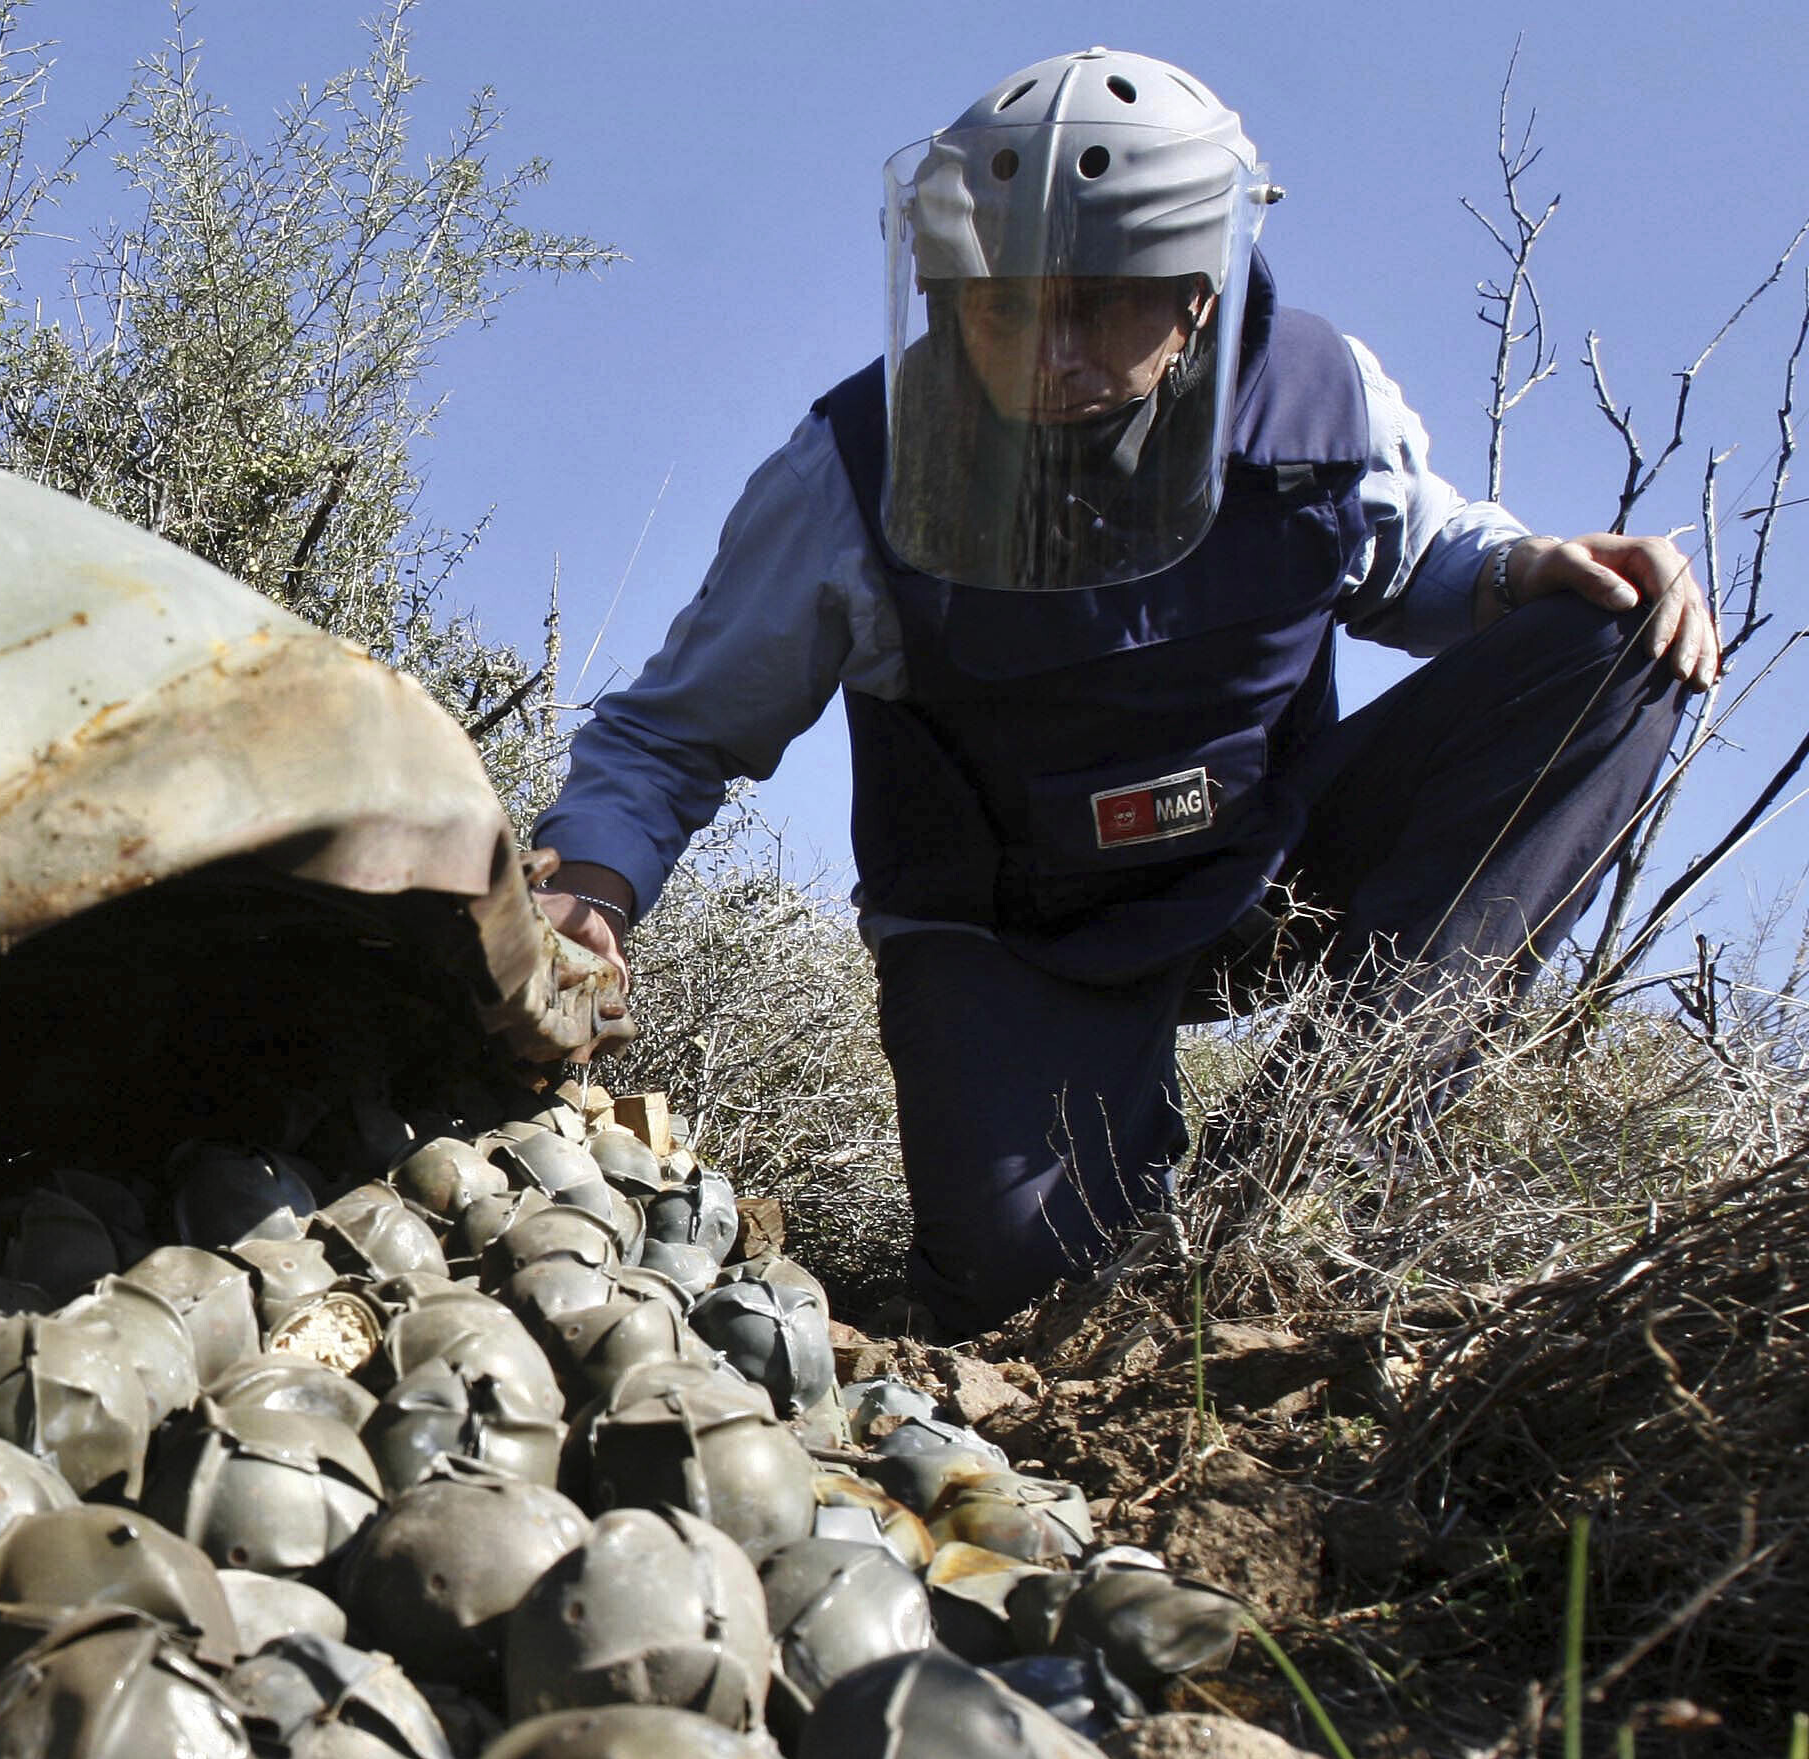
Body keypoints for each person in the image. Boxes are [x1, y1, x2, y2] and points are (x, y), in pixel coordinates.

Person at [529, 48, 1721, 1337]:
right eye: (1002, 308)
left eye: (1101, 306)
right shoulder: (849, 479)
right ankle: (1075, 1208)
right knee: (1025, 1292)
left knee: (1617, 642)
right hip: (1017, 930)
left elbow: (1412, 552)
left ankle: (1317, 1154)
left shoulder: (1320, 401)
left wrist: (1524, 566)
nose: (1050, 353)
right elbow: (670, 731)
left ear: (1198, 293)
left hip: (1268, 867)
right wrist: (588, 885)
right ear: (942, 288)